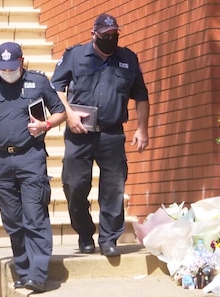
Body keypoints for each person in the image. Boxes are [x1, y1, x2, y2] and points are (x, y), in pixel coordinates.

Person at [0, 42, 66, 293]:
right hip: (1, 160)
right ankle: (24, 270)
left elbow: (60, 111)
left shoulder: (39, 82)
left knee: (34, 215)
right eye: (3, 68)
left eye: (12, 67)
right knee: (12, 219)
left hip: (30, 157)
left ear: (21, 61)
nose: (7, 72)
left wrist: (45, 126)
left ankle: (38, 273)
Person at [50, 13, 150, 257]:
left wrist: (142, 128)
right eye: (106, 35)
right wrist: (69, 114)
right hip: (79, 132)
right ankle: (85, 233)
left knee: (114, 187)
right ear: (93, 34)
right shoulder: (75, 56)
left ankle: (109, 239)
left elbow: (142, 96)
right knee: (74, 186)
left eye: (114, 34)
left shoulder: (128, 58)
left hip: (112, 133)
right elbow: (55, 88)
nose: (111, 38)